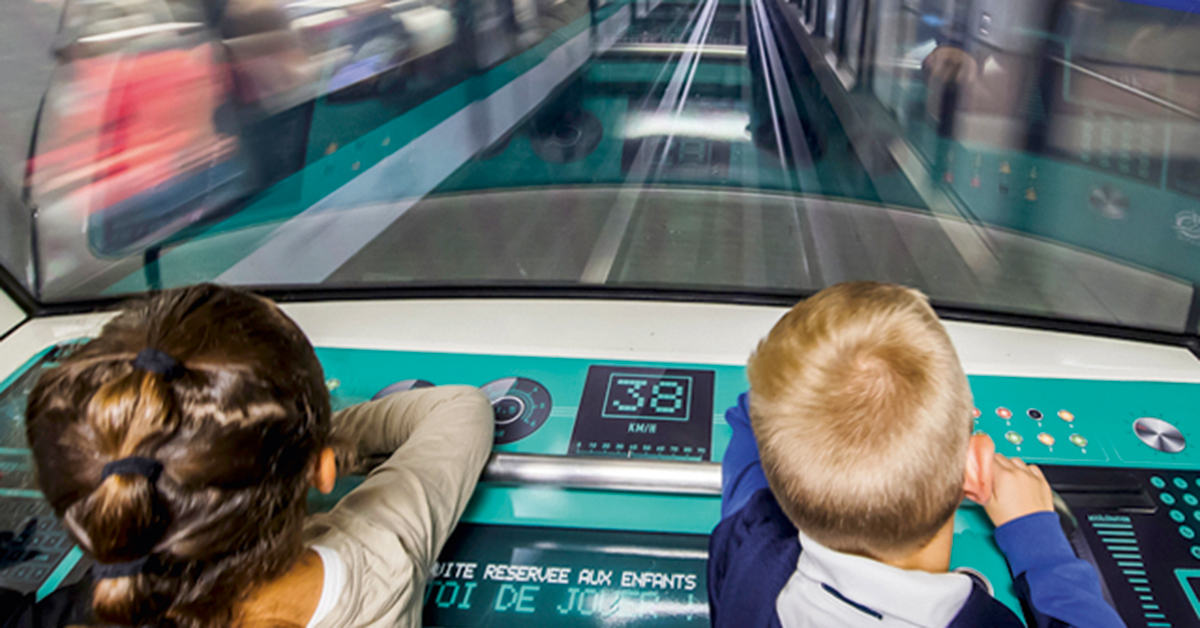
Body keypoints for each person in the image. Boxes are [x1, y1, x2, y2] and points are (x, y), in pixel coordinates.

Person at [24, 284, 494, 628]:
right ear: (323, 469)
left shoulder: (101, 600)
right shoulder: (378, 557)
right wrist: (316, 445)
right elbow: (460, 411)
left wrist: (296, 449)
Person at [708, 282, 1125, 628]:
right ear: (976, 468)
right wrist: (1039, 543)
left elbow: (750, 431)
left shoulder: (747, 555)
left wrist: (810, 392)